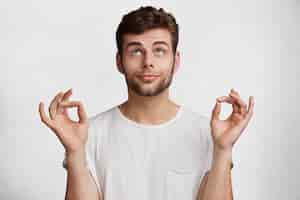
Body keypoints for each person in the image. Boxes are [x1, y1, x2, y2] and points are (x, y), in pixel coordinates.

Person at [38, 6, 254, 200]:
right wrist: (75, 152)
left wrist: (223, 150)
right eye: (136, 51)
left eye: (159, 50)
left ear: (175, 61)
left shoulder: (208, 134)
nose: (148, 62)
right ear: (119, 61)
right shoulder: (89, 134)